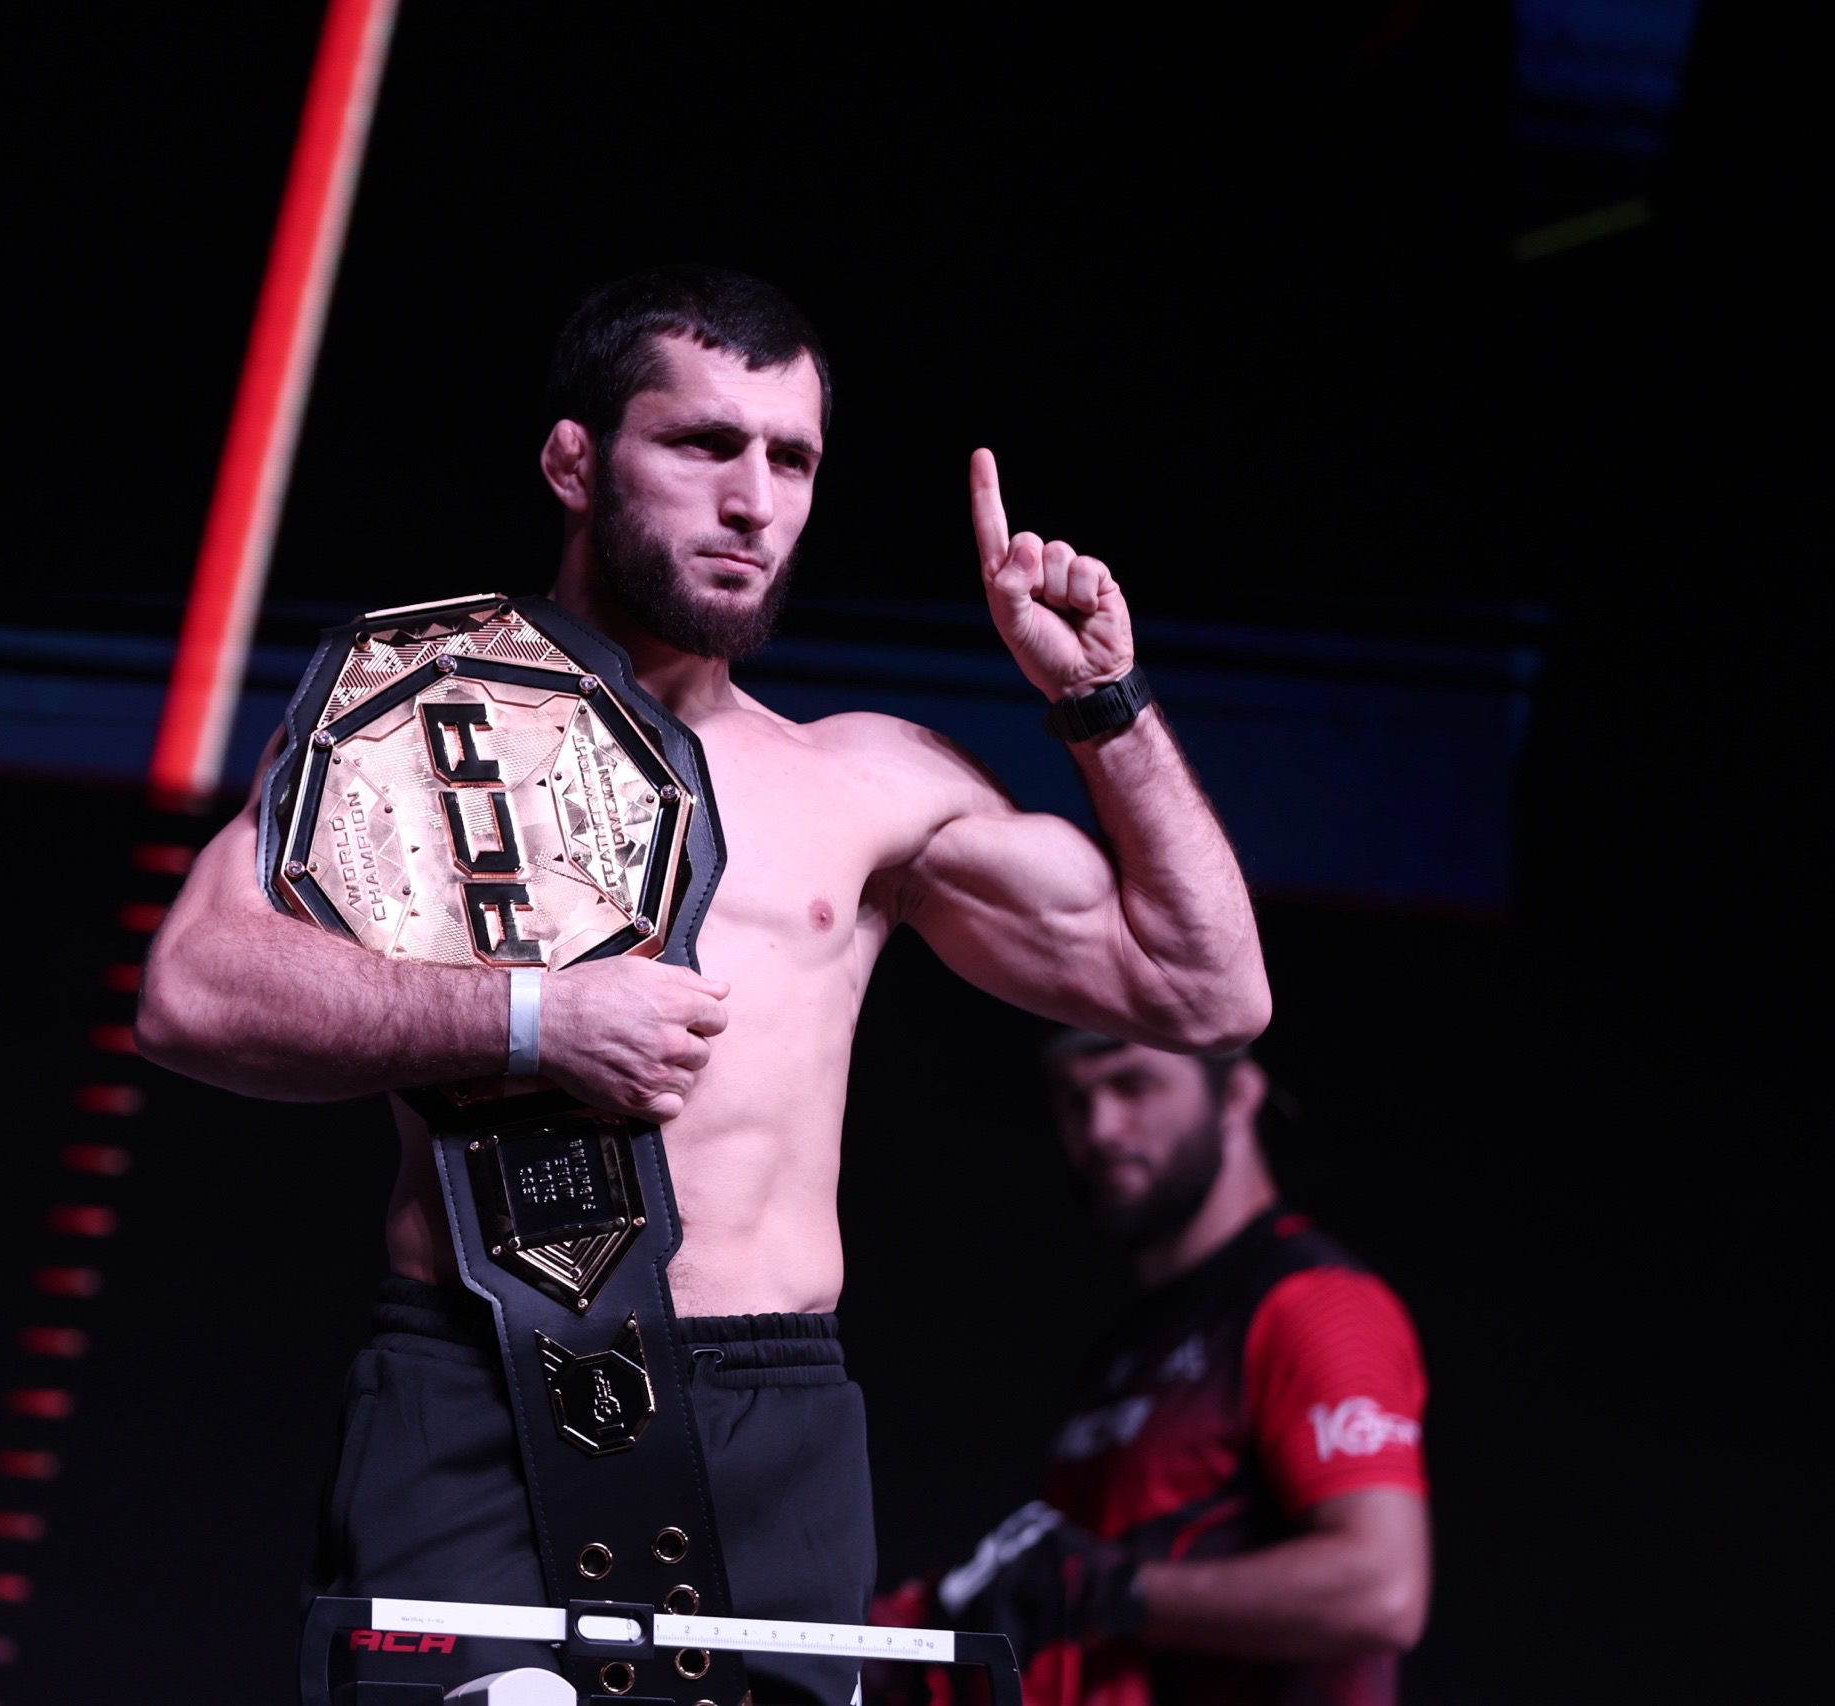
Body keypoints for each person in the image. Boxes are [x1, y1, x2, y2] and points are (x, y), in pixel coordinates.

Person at [136, 266, 1273, 1706]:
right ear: (574, 462)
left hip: (769, 1418)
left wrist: (1100, 702)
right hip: (481, 1377)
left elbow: (1207, 989)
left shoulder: (868, 781)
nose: (753, 501)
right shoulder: (421, 721)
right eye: (703, 444)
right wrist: (530, 1017)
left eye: (791, 459)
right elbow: (191, 989)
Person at [874, 1032, 1430, 1706]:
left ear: (1238, 1094)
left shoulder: (1314, 1305)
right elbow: (1070, 1596)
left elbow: (1381, 1591)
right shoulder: (1126, 1346)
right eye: (1074, 1099)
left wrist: (1108, 1590)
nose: (1101, 1129)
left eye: (1134, 1085)